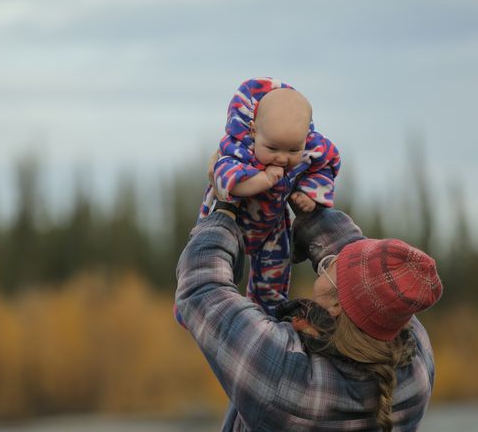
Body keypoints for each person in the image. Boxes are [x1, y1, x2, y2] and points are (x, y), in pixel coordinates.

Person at [175, 202, 443, 431]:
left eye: (331, 265)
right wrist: (306, 202)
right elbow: (372, 278)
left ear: (337, 305)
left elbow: (202, 287)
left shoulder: (287, 378)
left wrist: (224, 209)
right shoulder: (416, 366)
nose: (329, 261)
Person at [178, 77, 340, 327]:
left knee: (274, 277)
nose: (283, 158)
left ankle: (267, 317)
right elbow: (225, 181)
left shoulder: (308, 148)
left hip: (272, 225)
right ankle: (190, 311)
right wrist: (263, 179)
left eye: (292, 151)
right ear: (254, 131)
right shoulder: (239, 150)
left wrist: (309, 193)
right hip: (229, 221)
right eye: (273, 148)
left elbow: (325, 165)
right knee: (214, 268)